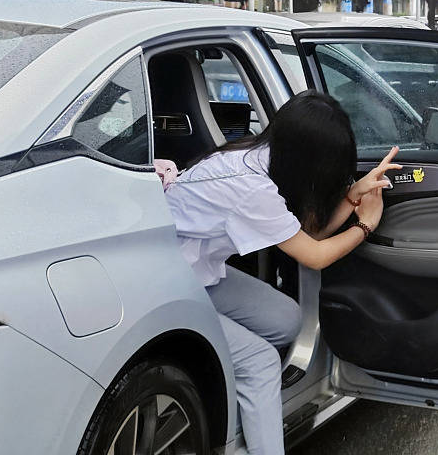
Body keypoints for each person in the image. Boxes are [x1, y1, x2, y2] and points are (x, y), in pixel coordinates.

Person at [163, 91, 400, 455]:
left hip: (196, 270)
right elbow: (316, 254)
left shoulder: (256, 155)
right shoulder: (252, 190)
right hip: (165, 289)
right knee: (260, 361)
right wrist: (366, 225)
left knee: (287, 319)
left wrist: (354, 194)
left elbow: (308, 237)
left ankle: (237, 391)